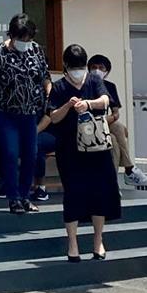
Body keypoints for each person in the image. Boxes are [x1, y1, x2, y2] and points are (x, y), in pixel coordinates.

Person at [46, 43, 123, 259]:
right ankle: (73, 244)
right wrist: (68, 106)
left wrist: (88, 104)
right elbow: (53, 117)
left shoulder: (94, 81)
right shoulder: (59, 87)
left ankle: (98, 241)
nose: (78, 72)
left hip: (96, 147)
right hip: (70, 149)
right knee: (73, 194)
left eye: (81, 67)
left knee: (99, 192)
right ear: (66, 67)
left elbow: (106, 101)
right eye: (74, 67)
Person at [0, 14, 51, 214]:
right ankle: (13, 198)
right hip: (6, 112)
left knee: (31, 154)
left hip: (30, 112)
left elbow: (44, 76)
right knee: (11, 153)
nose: (26, 42)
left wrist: (49, 91)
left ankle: (25, 196)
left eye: (28, 38)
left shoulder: (36, 50)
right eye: (22, 38)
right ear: (12, 35)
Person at [89, 53, 132, 178]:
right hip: (89, 125)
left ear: (106, 71)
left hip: (104, 123)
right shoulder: (85, 85)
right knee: (112, 139)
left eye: (101, 68)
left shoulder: (110, 86)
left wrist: (112, 118)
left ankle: (126, 171)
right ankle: (126, 171)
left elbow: (115, 112)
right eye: (94, 67)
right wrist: (111, 118)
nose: (97, 70)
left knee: (118, 128)